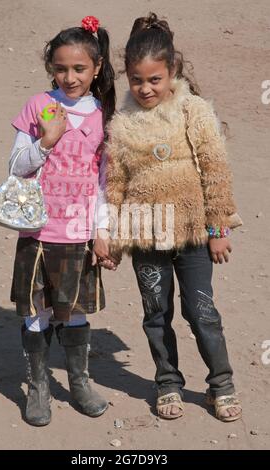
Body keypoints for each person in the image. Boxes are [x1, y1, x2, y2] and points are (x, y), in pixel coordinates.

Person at [105, 12, 243, 422]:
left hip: (193, 232)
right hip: (145, 234)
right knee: (155, 313)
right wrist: (111, 236)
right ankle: (167, 382)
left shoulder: (193, 110)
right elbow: (115, 183)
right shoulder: (122, 120)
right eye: (136, 80)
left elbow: (215, 169)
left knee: (201, 311)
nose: (145, 88)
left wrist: (218, 228)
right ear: (127, 77)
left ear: (172, 71)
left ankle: (221, 384)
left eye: (154, 79)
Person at [9, 16, 117, 426]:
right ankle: (37, 387)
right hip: (36, 232)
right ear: (50, 68)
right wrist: (45, 141)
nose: (69, 77)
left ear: (97, 67)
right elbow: (15, 166)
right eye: (60, 68)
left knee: (73, 311)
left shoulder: (102, 115)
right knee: (35, 311)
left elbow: (103, 182)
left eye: (79, 69)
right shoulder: (40, 105)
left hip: (78, 237)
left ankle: (79, 381)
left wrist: (100, 231)